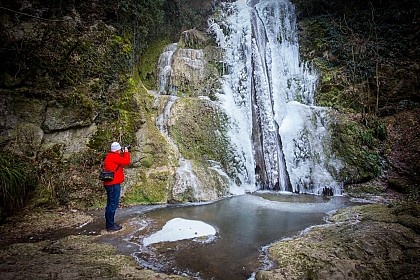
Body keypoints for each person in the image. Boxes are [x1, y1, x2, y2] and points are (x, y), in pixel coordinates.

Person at [103, 141, 130, 231]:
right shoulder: (114, 157)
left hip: (109, 184)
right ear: (118, 150)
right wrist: (126, 152)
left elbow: (120, 162)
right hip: (113, 185)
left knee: (110, 204)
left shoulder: (110, 156)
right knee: (112, 205)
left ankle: (110, 223)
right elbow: (126, 162)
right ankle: (110, 226)